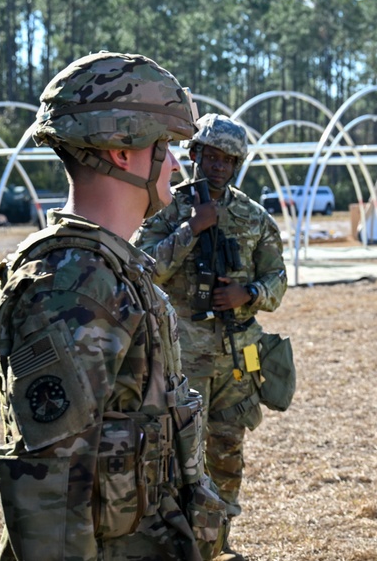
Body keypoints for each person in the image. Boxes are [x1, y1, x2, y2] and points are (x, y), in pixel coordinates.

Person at [0, 51, 225, 561]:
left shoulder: (114, 268)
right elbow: (51, 487)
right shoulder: (72, 286)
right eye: (165, 145)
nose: (177, 163)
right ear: (123, 151)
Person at [133, 113, 288, 560]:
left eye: (228, 159)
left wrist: (249, 293)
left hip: (237, 364)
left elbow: (278, 281)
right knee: (174, 461)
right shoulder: (166, 209)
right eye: (211, 155)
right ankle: (177, 546)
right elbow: (143, 271)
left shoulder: (253, 217)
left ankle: (218, 544)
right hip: (181, 364)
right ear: (194, 154)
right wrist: (192, 228)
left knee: (226, 457)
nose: (218, 166)